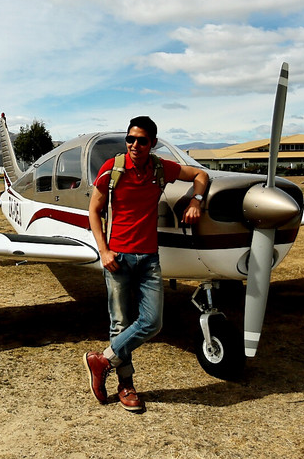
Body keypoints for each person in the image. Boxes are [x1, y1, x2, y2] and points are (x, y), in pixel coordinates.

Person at [84, 116, 210, 412]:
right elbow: (94, 210)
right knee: (120, 323)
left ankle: (101, 361)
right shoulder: (112, 169)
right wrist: (103, 251)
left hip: (149, 258)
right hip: (118, 257)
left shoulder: (159, 167)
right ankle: (126, 385)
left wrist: (196, 200)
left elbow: (200, 175)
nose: (135, 145)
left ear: (152, 143)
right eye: (130, 139)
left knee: (153, 322)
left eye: (141, 140)